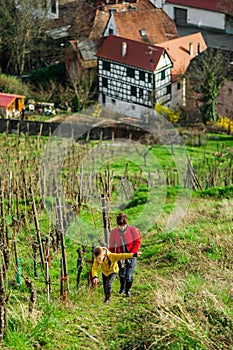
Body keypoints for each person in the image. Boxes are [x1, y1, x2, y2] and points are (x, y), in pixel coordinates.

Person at [109, 212, 141, 297]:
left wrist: (131, 254)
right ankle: (122, 287)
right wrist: (112, 256)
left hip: (131, 255)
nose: (122, 227)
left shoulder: (133, 230)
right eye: (120, 225)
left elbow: (137, 242)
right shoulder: (114, 232)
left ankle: (127, 290)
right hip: (120, 256)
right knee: (122, 274)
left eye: (123, 225)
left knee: (129, 276)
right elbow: (112, 245)